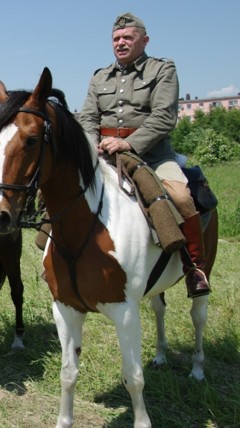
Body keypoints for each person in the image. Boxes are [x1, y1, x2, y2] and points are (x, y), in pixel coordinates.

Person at [78, 12, 210, 298]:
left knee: (181, 196)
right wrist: (91, 146)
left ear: (144, 40)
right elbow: (88, 116)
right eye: (116, 39)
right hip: (105, 156)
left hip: (153, 157)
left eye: (128, 37)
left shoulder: (162, 70)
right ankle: (61, 263)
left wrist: (130, 144)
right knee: (72, 190)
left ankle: (194, 268)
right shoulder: (99, 76)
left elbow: (164, 117)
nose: (121, 43)